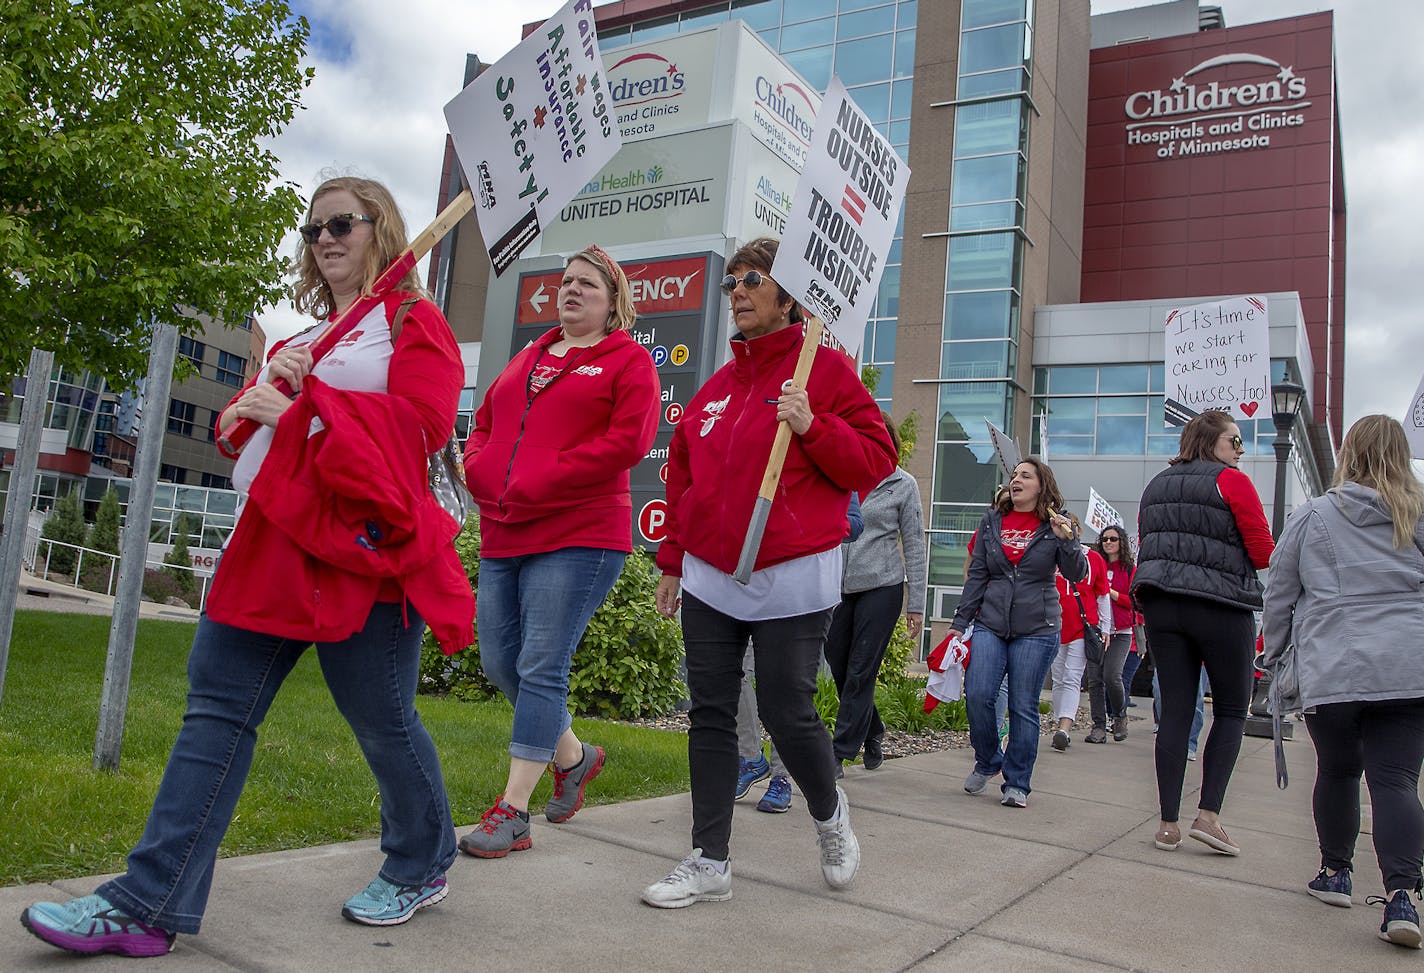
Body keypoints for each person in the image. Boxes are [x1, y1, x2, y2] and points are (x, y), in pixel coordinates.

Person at [22, 177, 475, 955]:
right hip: (272, 546)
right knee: (216, 713)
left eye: (342, 223)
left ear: (383, 229)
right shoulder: (311, 335)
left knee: (383, 721)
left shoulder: (413, 321)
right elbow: (248, 433)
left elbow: (422, 431)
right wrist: (263, 398)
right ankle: (148, 900)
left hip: (363, 556)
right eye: (312, 229)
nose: (324, 238)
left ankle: (422, 858)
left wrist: (306, 408)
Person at [642, 237, 896, 908]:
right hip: (711, 576)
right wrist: (673, 561)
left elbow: (876, 458)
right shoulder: (716, 391)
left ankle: (829, 812)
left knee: (787, 710)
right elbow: (684, 477)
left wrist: (813, 425)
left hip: (792, 570)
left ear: (789, 296)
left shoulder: (827, 371)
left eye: (752, 280)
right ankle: (709, 858)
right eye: (732, 283)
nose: (739, 292)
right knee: (711, 714)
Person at [455, 245, 659, 859]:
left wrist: (548, 476)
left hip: (580, 533)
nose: (571, 291)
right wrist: (477, 467)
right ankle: (573, 757)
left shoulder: (629, 361)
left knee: (543, 664)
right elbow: (485, 424)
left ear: (613, 301)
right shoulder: (529, 357)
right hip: (506, 528)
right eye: (566, 282)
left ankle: (512, 811)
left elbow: (629, 441)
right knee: (499, 661)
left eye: (587, 285)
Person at [1261, 415, 1424, 948]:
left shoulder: (1313, 516)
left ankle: (1336, 874)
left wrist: (1273, 651)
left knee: (1336, 771)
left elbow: (1280, 593)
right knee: (1396, 781)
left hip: (1335, 665)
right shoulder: (1418, 515)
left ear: (1349, 452)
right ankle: (1403, 897)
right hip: (1408, 666)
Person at [1133, 409, 1272, 856]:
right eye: (1235, 441)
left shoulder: (1156, 484)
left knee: (1174, 710)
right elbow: (1262, 550)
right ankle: (1209, 817)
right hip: (1220, 605)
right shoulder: (1231, 481)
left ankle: (1168, 825)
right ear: (1211, 442)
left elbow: (1148, 543)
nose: (1240, 450)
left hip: (1163, 605)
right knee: (1232, 709)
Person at [952, 458, 1087, 808]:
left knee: (1022, 705)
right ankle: (988, 760)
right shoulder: (992, 521)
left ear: (1041, 486)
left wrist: (1068, 541)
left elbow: (1077, 573)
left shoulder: (1057, 524)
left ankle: (1017, 783)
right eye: (1014, 476)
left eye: (1025, 476)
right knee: (979, 693)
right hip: (990, 623)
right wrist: (959, 623)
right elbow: (978, 574)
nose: (1016, 480)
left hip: (1037, 628)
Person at [736, 496, 864, 812]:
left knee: (785, 690)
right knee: (734, 673)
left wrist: (806, 518)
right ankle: (751, 757)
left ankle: (782, 777)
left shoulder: (825, 460)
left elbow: (855, 522)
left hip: (800, 593)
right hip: (751, 586)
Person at [826, 415, 926, 773]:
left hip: (882, 587)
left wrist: (916, 605)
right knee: (839, 666)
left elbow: (915, 544)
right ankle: (873, 729)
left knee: (861, 669)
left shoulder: (903, 484)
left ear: (890, 440)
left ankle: (839, 752)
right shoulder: (842, 475)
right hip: (836, 586)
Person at [1048, 514, 1110, 750]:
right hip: (1053, 625)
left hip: (1082, 627)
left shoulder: (1093, 559)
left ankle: (1064, 727)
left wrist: (1106, 628)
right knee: (1058, 678)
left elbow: (1103, 595)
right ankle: (1058, 723)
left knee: (1072, 677)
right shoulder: (1051, 555)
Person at [1089, 524, 1136, 742]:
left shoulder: (1128, 569)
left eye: (1113, 539)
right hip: (1096, 630)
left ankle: (1119, 715)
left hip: (1120, 632)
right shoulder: (1095, 564)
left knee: (1112, 675)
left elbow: (1133, 602)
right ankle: (1098, 725)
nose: (1108, 542)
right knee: (1094, 679)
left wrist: (1111, 593)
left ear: (1121, 542)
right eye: (1105, 539)